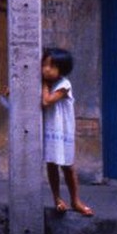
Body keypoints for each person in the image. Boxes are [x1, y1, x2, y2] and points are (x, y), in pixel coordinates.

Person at [42, 47, 93, 217]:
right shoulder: (47, 85)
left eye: (52, 66)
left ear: (62, 70)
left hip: (63, 131)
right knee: (51, 164)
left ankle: (75, 200)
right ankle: (57, 199)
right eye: (45, 65)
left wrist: (43, 84)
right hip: (49, 130)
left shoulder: (64, 84)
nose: (46, 69)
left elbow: (47, 101)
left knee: (68, 166)